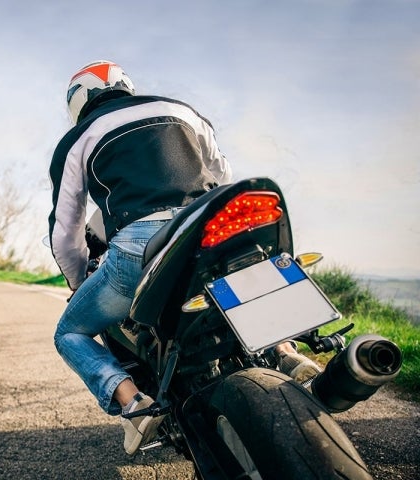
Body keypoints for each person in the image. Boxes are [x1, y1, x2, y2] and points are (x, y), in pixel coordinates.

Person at [48, 60, 321, 455]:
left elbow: (65, 230)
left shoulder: (77, 140)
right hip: (207, 222)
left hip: (139, 245)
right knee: (242, 277)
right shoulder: (180, 110)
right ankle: (286, 352)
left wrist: (77, 282)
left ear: (77, 102)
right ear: (126, 85)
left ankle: (135, 405)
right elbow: (220, 172)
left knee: (69, 333)